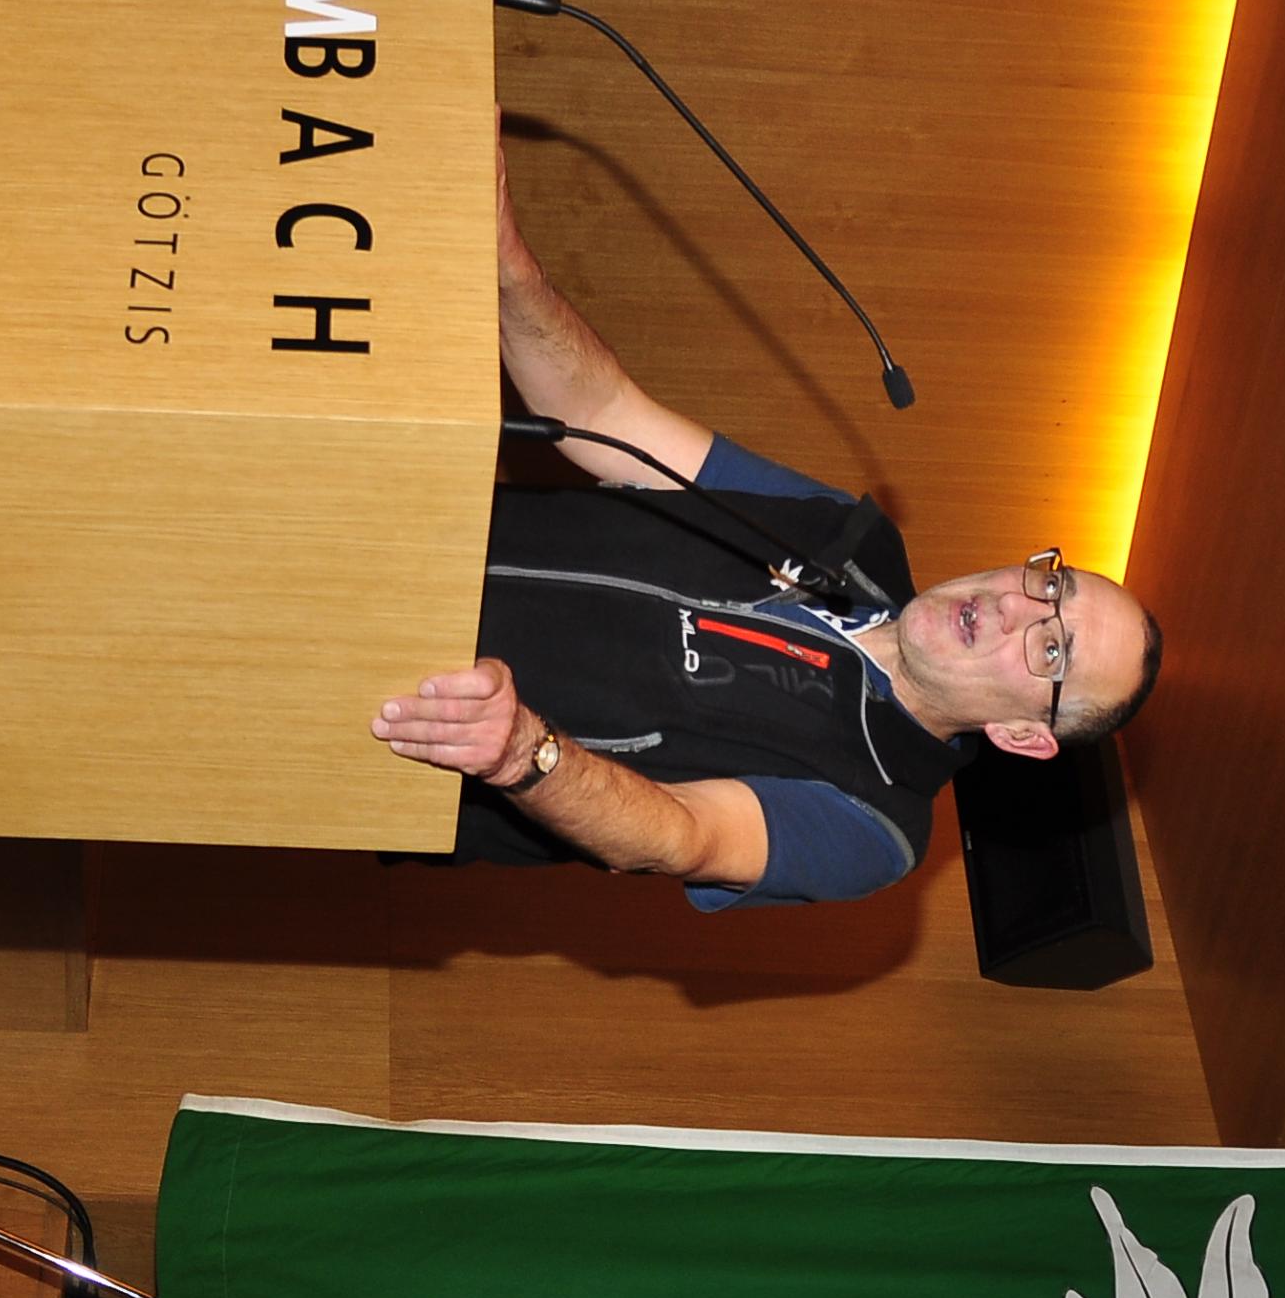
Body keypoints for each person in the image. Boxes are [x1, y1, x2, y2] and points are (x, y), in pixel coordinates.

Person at [358, 159, 1165, 907]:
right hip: (379, 526)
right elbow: (604, 415)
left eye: (1050, 649)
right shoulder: (856, 539)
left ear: (1022, 735)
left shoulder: (878, 822)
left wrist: (521, 754)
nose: (1018, 608)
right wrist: (508, 265)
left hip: (388, 717)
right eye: (1051, 584)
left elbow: (683, 835)